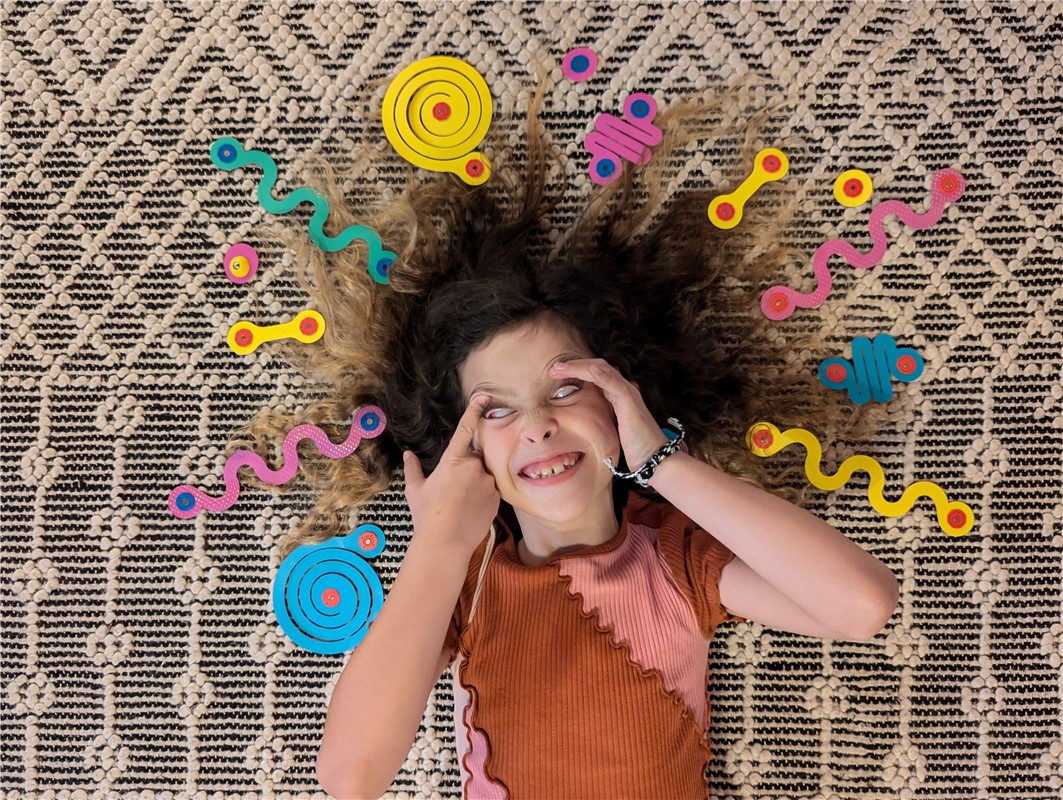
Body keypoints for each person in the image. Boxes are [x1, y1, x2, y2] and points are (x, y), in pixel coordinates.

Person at [236, 78, 900, 798]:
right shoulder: (464, 578)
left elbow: (861, 606)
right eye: (494, 411)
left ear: (622, 397)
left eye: (564, 388)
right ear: (464, 452)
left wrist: (661, 462)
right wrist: (438, 543)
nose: (537, 425)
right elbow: (351, 776)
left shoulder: (675, 556)